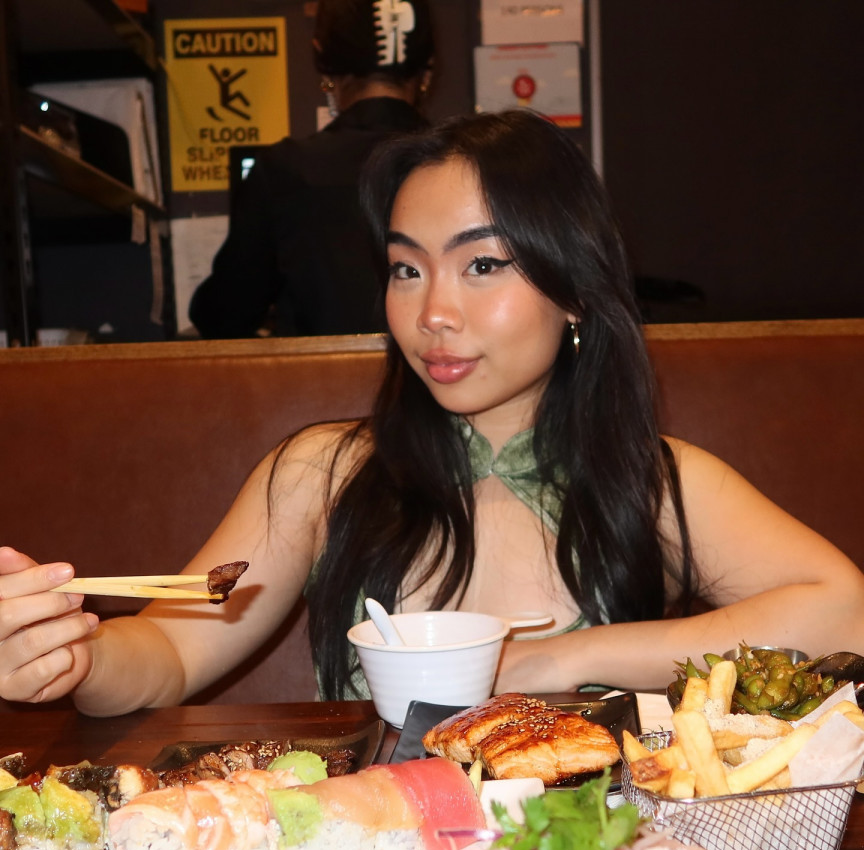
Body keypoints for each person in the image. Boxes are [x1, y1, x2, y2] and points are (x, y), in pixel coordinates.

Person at [3, 109, 864, 716]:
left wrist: (556, 660)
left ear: (574, 288)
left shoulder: (651, 479)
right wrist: (75, 657)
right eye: (407, 269)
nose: (433, 313)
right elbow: (167, 653)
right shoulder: (321, 474)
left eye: (482, 266)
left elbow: (844, 612)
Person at [188, 0, 435, 339]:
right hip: (436, 371)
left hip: (320, 372)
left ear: (323, 64)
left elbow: (223, 314)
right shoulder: (464, 162)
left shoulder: (284, 170)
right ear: (428, 70)